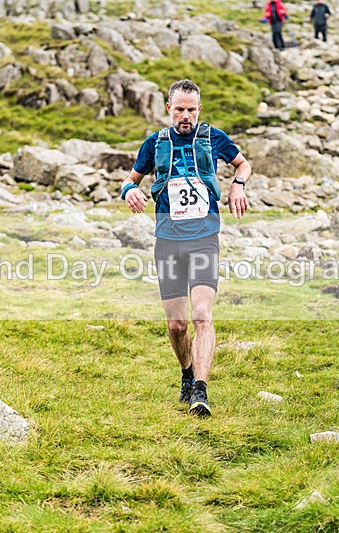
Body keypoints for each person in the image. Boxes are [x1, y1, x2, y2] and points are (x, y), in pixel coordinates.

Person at [120, 79, 252, 418]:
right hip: (167, 242)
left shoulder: (213, 138)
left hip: (205, 238)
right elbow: (130, 179)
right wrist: (128, 192)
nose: (186, 116)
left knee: (202, 315)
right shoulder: (154, 144)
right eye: (180, 109)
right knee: (178, 325)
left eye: (192, 110)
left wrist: (238, 185)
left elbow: (243, 164)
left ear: (199, 109)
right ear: (169, 109)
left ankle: (201, 391)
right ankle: (187, 373)